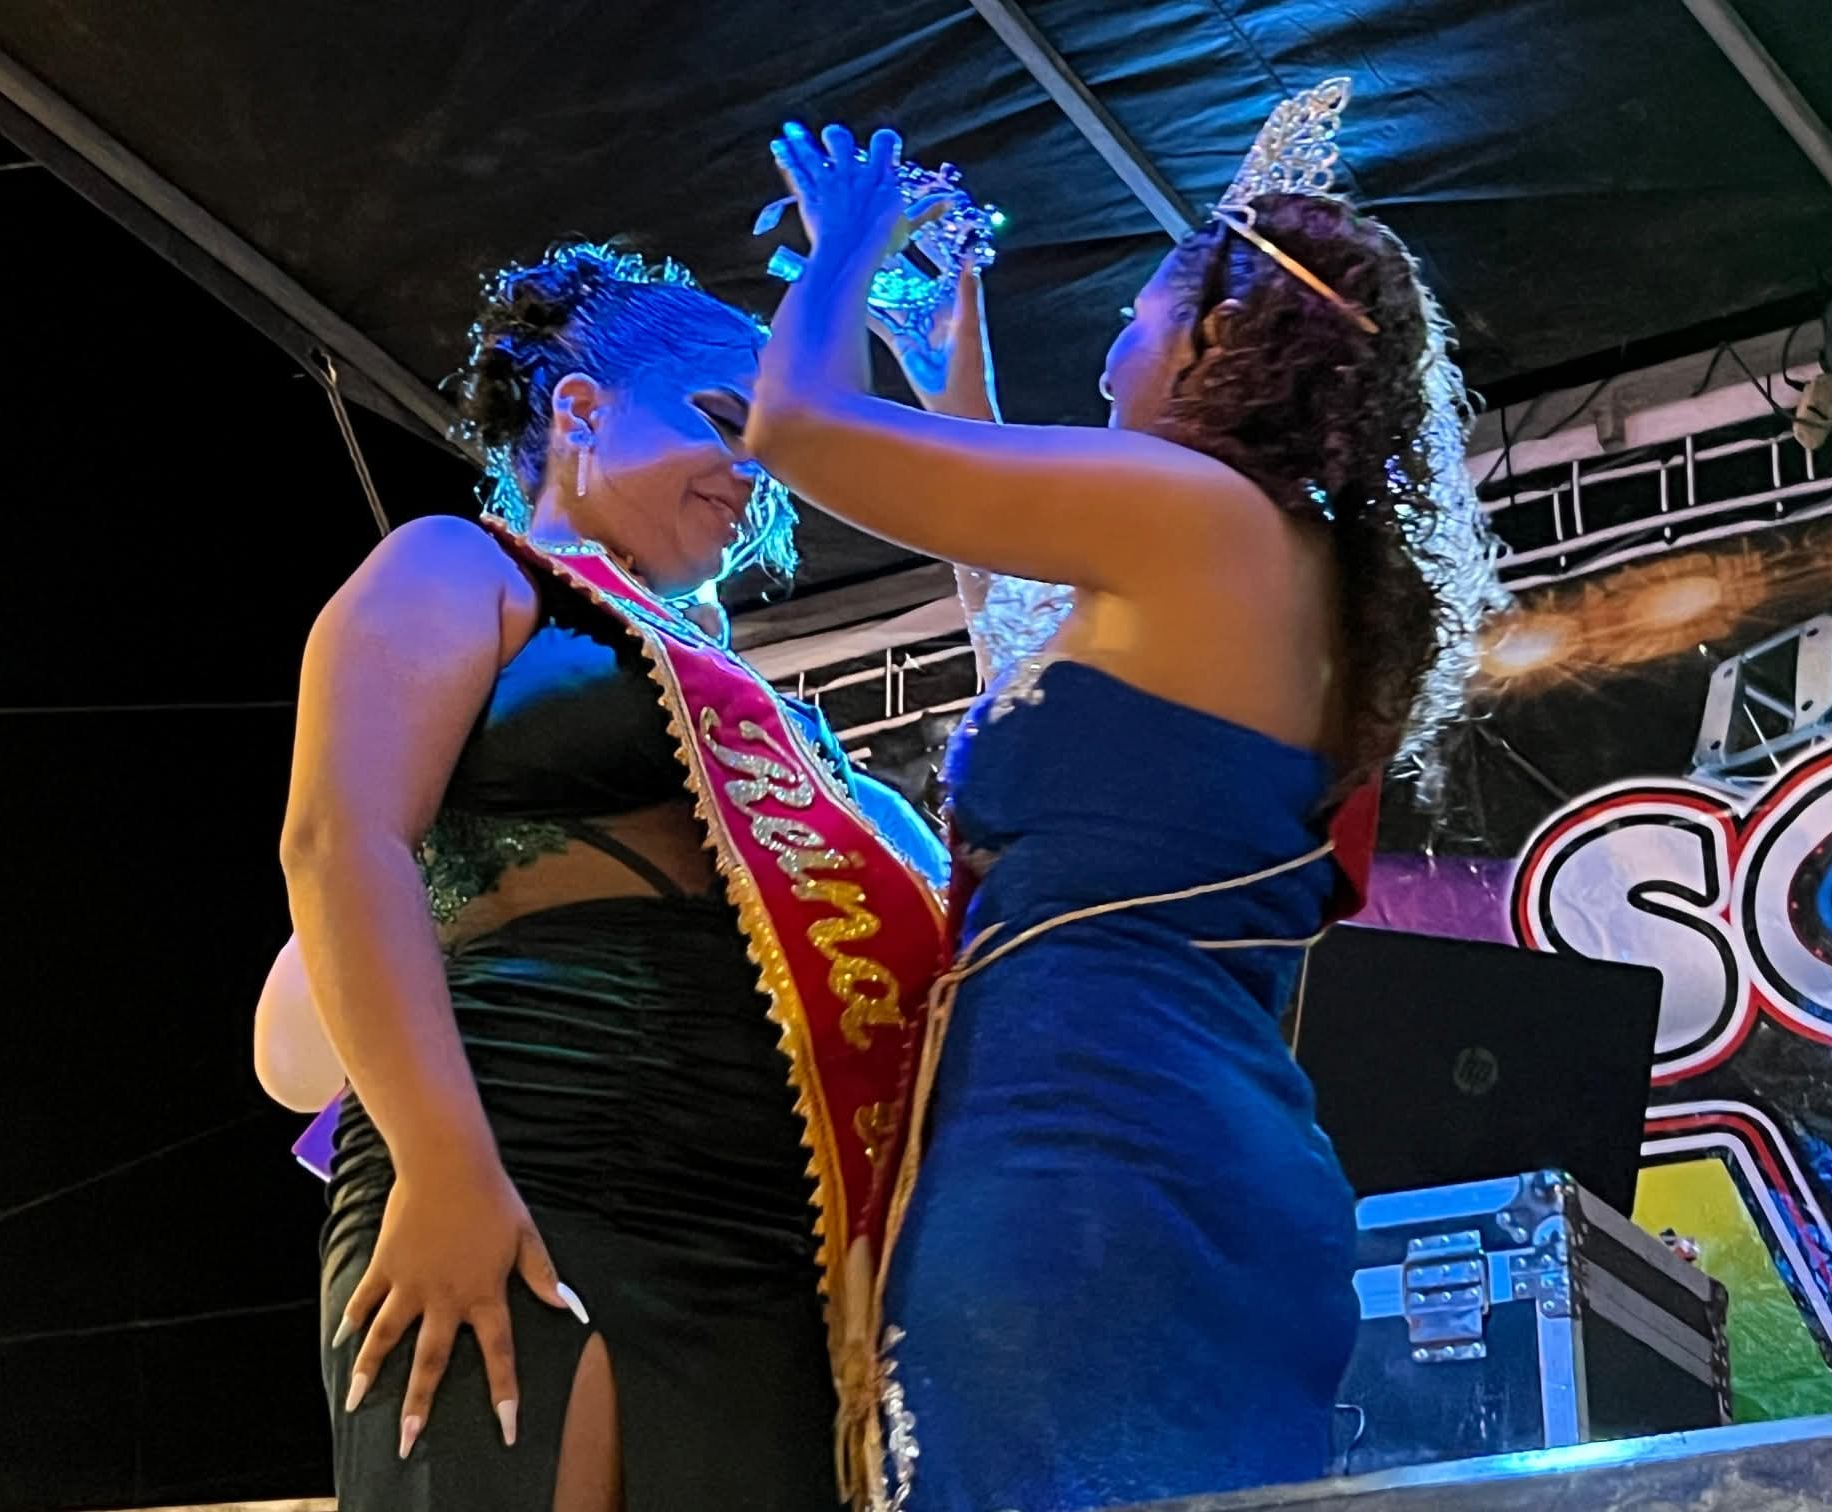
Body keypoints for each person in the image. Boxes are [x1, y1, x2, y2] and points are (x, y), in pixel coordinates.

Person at [746, 106, 1504, 1511]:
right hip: (1166, 1149)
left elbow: (796, 428)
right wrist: (952, 367)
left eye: (1141, 310)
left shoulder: (1191, 510)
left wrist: (845, 237)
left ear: (1222, 341)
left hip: (1090, 1156)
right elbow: (1027, 625)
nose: (1112, 341)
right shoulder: (1279, 562)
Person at [272, 239, 947, 1511]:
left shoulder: (762, 715)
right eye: (725, 421)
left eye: (775, 445)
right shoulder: (459, 570)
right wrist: (445, 1168)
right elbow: (338, 839)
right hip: (524, 1164)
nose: (756, 469)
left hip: (768, 1234)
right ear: (581, 409)